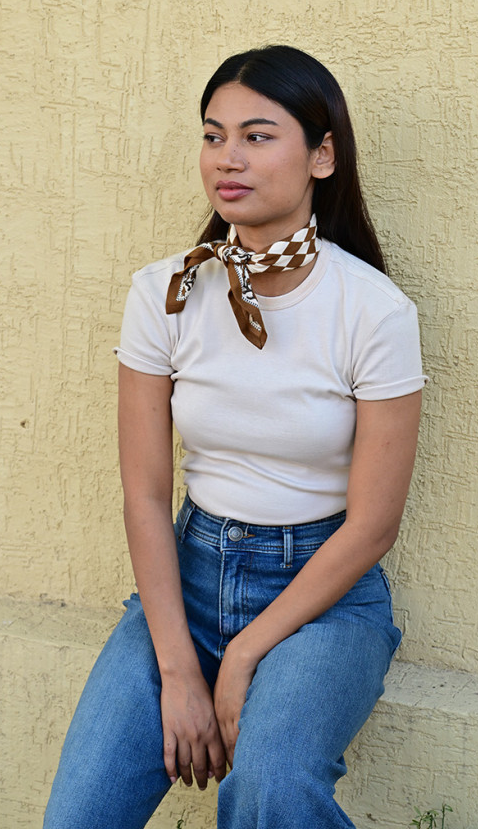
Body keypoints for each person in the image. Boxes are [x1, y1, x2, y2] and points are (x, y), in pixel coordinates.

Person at [43, 45, 427, 829]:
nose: (228, 158)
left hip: (322, 599)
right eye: (214, 135)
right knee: (77, 817)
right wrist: (182, 670)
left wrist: (246, 653)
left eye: (258, 135)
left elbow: (374, 524)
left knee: (269, 791)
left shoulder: (374, 311)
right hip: (188, 577)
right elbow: (147, 495)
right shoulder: (164, 293)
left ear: (323, 156)